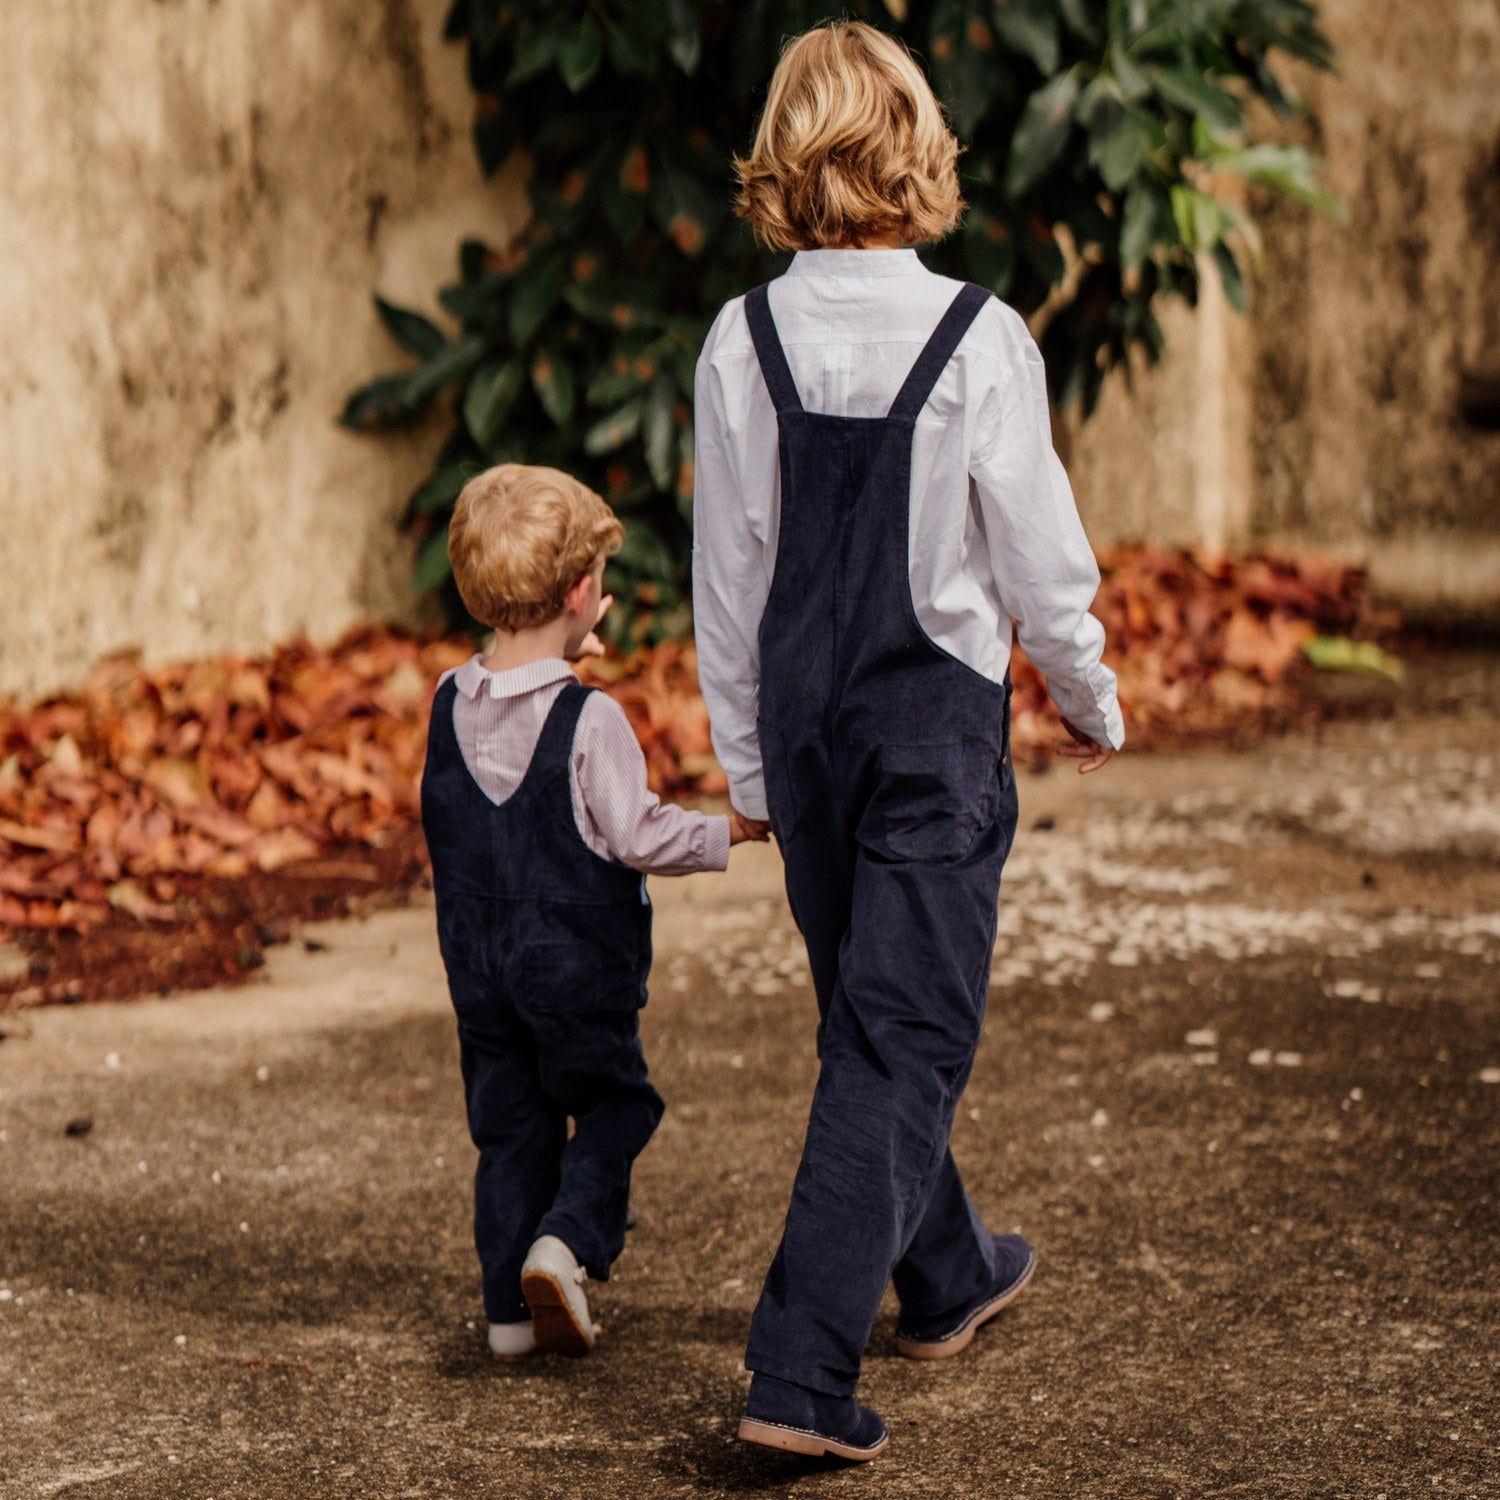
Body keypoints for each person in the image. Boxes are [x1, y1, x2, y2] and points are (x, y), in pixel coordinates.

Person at [692, 21, 1123, 1461]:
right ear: (919, 150)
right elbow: (1041, 553)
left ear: (783, 158)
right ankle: (799, 1374)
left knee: (870, 1011)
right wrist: (1086, 687)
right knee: (906, 1027)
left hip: (808, 738)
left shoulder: (739, 338)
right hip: (933, 731)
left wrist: (746, 763)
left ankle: (946, 1274)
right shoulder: (982, 336)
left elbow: (730, 575)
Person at [422, 463, 765, 1362]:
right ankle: (567, 1241)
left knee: (509, 1131)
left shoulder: (445, 705)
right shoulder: (590, 720)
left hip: (479, 971)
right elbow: (638, 833)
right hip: (574, 969)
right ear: (582, 595)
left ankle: (505, 1319)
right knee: (617, 1105)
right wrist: (729, 832)